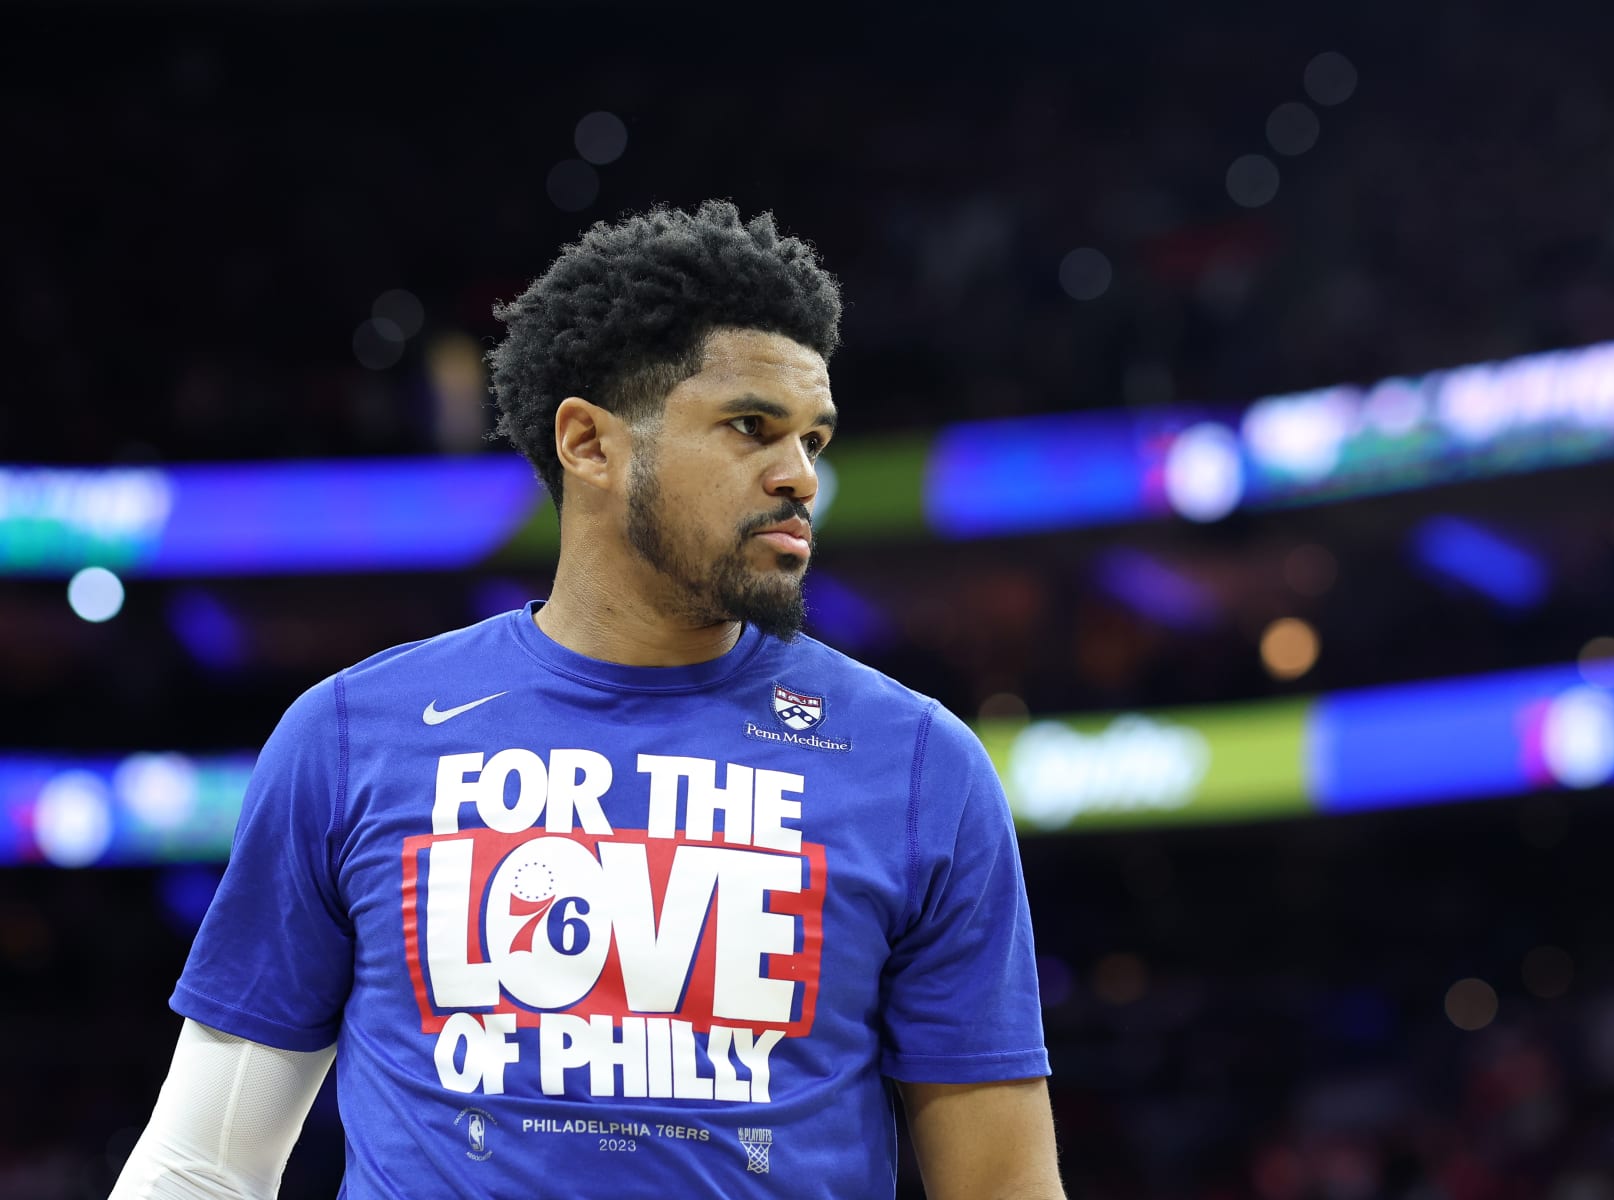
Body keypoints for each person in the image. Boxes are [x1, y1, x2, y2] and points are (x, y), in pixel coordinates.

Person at [111, 201, 1063, 1199]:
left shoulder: (920, 766)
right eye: (751, 428)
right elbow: (204, 1163)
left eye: (813, 440)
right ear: (589, 443)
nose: (800, 478)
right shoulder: (349, 737)